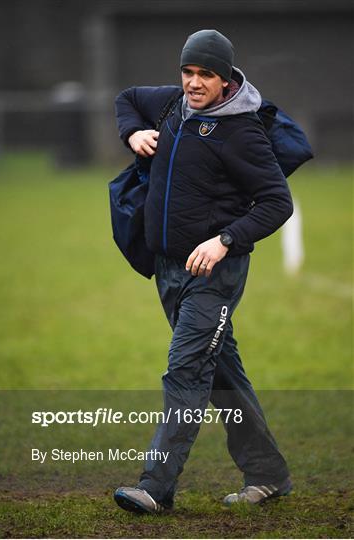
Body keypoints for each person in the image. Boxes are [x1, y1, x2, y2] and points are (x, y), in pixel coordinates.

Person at [113, 29, 293, 514]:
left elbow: (278, 203)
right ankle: (268, 474)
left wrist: (225, 240)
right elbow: (127, 98)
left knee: (188, 370)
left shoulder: (242, 131)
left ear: (225, 79)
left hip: (215, 273)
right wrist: (132, 131)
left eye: (205, 75)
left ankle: (155, 486)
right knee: (222, 376)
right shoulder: (174, 105)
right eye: (188, 72)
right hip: (168, 270)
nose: (193, 83)